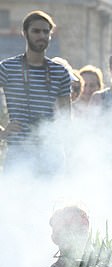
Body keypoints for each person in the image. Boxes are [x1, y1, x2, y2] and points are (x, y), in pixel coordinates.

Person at [0, 10, 71, 174]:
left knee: (52, 199)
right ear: (25, 33)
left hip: (50, 153)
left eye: (46, 31)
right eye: (36, 31)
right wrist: (2, 132)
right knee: (17, 199)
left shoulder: (60, 72)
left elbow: (66, 117)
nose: (42, 35)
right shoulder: (7, 68)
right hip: (18, 153)